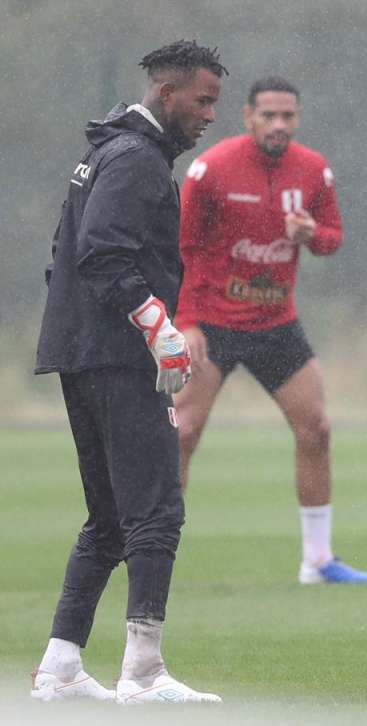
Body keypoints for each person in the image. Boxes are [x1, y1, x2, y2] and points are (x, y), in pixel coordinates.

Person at [32, 40, 227, 704]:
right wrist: (157, 328)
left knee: (110, 519)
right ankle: (142, 673)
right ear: (165, 93)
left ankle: (60, 667)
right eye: (202, 101)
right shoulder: (136, 161)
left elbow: (69, 253)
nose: (209, 116)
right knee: (156, 513)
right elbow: (101, 253)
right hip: (115, 357)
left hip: (82, 351)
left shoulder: (105, 151)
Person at [173, 76, 367, 585]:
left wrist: (312, 235)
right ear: (248, 116)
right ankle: (156, 557)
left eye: (289, 116)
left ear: (298, 119)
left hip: (275, 324)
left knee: (317, 429)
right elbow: (181, 249)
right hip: (212, 326)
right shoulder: (212, 168)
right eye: (269, 115)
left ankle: (318, 561)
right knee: (181, 434)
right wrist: (186, 321)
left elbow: (333, 239)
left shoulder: (313, 170)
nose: (279, 124)